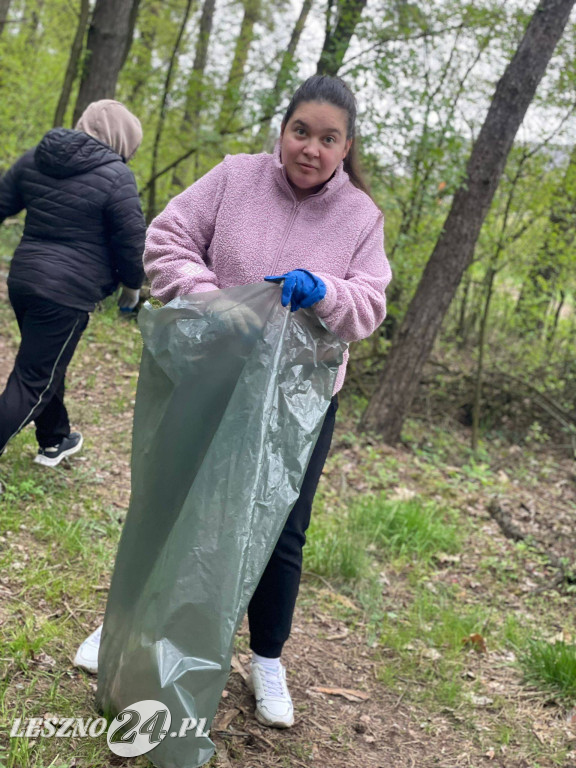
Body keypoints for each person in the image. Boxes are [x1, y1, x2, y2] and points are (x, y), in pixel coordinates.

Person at [74, 76, 392, 729]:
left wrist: (325, 290)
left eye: (328, 139)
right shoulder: (234, 178)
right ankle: (123, 626)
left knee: (281, 529)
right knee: (170, 498)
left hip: (299, 405)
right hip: (212, 376)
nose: (311, 148)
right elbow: (165, 239)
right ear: (284, 130)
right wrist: (213, 298)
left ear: (346, 145)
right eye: (301, 131)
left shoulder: (361, 217)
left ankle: (267, 658)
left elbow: (368, 307)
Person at [0, 100, 146, 469]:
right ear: (122, 141)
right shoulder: (116, 176)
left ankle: (55, 438)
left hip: (24, 281)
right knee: (35, 377)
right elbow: (132, 244)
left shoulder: (37, 156)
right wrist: (132, 290)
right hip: (66, 293)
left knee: (45, 362)